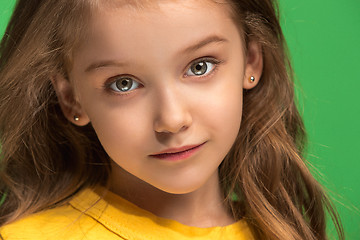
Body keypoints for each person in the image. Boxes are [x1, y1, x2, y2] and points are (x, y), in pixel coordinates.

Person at [0, 0, 344, 239]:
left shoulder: (287, 232)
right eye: (124, 84)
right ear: (71, 97)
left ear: (251, 61)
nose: (172, 119)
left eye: (200, 66)